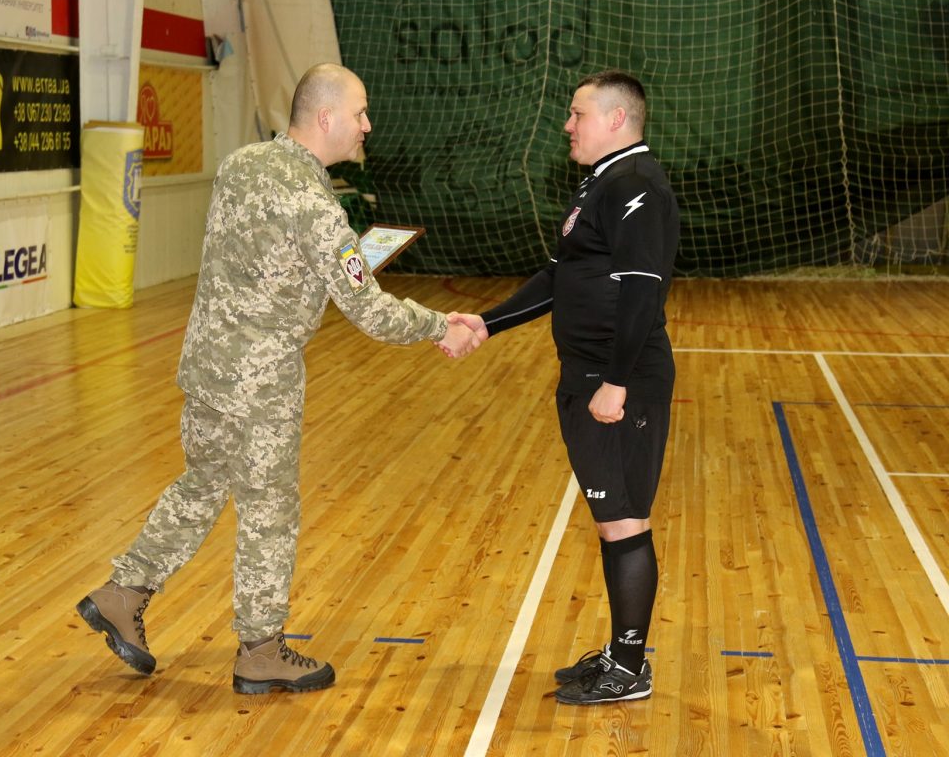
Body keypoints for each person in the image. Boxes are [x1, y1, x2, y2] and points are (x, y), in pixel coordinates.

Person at [77, 62, 479, 695]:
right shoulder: (315, 205)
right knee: (270, 510)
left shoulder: (241, 165)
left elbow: (269, 258)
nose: (367, 125)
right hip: (259, 382)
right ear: (325, 117)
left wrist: (336, 263)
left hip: (208, 365)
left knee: (203, 483)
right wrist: (439, 325)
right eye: (359, 113)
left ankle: (123, 592)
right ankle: (261, 650)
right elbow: (370, 312)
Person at [452, 71, 679, 704]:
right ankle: (620, 654)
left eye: (578, 114)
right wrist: (485, 324)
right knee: (613, 521)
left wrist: (616, 382)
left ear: (616, 118)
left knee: (624, 522)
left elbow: (643, 293)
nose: (567, 125)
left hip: (616, 382)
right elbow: (559, 278)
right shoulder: (602, 183)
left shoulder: (636, 185)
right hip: (586, 376)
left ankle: (629, 668)